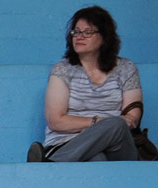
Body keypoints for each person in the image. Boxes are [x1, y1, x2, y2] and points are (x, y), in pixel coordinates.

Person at [29, 7, 141, 162]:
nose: (79, 37)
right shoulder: (63, 70)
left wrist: (107, 125)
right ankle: (58, 160)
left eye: (87, 32)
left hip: (117, 146)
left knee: (118, 124)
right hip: (67, 144)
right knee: (97, 159)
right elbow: (56, 121)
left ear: (105, 37)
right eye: (76, 31)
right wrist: (98, 122)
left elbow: (132, 118)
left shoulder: (126, 68)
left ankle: (52, 164)